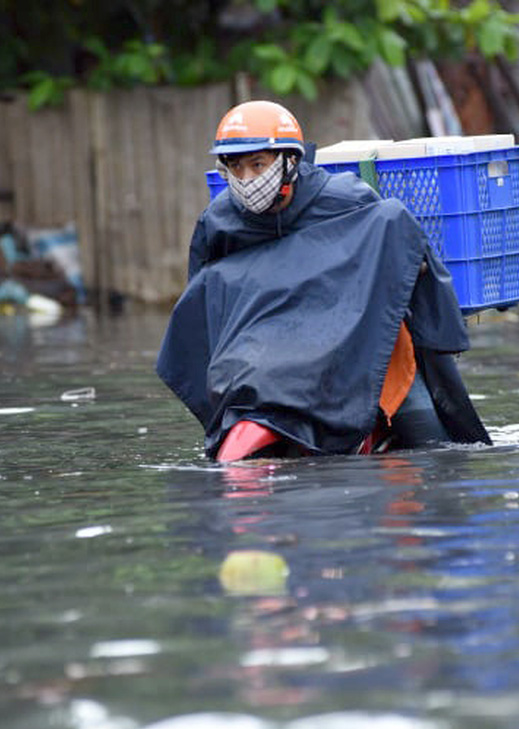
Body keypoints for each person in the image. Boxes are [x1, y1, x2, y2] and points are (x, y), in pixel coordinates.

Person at [156, 100, 491, 460]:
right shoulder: (219, 221)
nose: (247, 180)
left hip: (358, 345)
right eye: (236, 168)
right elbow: (207, 300)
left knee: (435, 447)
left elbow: (395, 241)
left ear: (290, 161)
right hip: (269, 361)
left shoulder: (345, 198)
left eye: (258, 165)